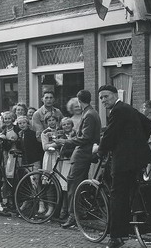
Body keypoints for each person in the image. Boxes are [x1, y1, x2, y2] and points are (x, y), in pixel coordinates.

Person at [96, 85, 151, 248]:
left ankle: (116, 237)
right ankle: (133, 223)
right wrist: (139, 142)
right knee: (130, 191)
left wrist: (100, 151)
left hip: (124, 160)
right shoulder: (128, 108)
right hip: (138, 159)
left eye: (106, 96)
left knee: (117, 196)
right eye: (101, 98)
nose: (103, 100)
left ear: (115, 95)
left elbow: (110, 134)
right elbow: (147, 124)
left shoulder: (117, 110)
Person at [56, 90, 101, 229]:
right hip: (84, 153)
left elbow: (85, 138)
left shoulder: (88, 114)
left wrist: (66, 141)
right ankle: (79, 212)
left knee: (73, 185)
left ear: (79, 101)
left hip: (82, 154)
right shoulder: (92, 113)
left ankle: (73, 216)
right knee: (78, 185)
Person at [57, 117, 76, 220]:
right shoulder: (61, 136)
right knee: (64, 187)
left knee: (73, 187)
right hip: (65, 163)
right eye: (64, 125)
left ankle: (72, 211)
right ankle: (64, 209)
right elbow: (61, 150)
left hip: (74, 162)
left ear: (72, 125)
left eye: (68, 124)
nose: (66, 126)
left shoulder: (76, 135)